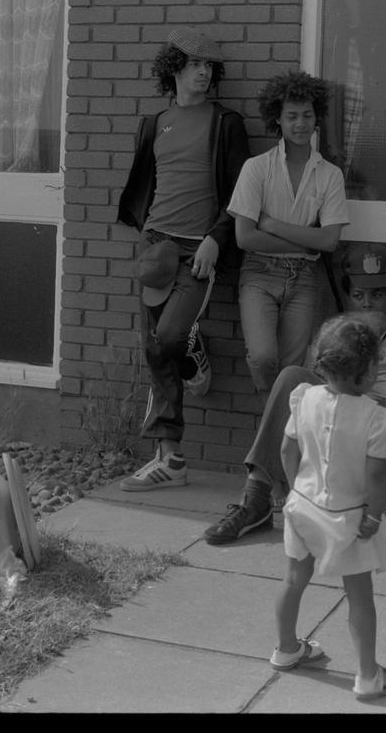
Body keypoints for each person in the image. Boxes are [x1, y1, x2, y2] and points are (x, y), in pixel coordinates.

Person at [203, 241, 386, 563]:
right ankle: (255, 500)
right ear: (348, 296)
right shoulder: (335, 331)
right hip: (342, 434)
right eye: (359, 295)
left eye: (377, 294)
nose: (368, 303)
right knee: (292, 376)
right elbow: (315, 395)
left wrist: (385, 409)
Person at [116, 26, 250, 492]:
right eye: (195, 65)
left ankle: (190, 342)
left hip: (200, 251)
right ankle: (170, 459)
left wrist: (217, 238)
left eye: (210, 67)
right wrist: (146, 235)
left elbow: (239, 192)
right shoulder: (155, 123)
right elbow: (147, 183)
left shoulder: (225, 123)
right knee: (153, 347)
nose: (204, 73)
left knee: (166, 337)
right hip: (158, 248)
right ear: (173, 68)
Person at [272, 314, 386, 701]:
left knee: (293, 580)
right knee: (359, 596)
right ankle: (368, 675)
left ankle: (286, 649)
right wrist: (374, 516)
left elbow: (287, 450)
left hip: (303, 507)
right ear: (368, 372)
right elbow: (377, 478)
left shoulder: (304, 397)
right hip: (348, 519)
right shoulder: (379, 418)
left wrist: (295, 490)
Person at [228, 70, 350, 394]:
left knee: (294, 371)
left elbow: (329, 240)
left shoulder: (330, 175)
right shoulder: (256, 169)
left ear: (317, 117)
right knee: (264, 357)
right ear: (277, 120)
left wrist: (270, 224)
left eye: (307, 115)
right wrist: (304, 240)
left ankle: (280, 431)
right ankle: (276, 418)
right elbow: (244, 237)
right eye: (292, 116)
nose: (300, 124)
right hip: (258, 272)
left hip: (304, 278)